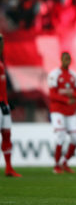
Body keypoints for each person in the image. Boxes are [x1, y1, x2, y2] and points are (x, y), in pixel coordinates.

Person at [47, 52, 76, 174]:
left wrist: (73, 96)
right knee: (60, 137)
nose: (67, 61)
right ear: (61, 59)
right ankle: (56, 165)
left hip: (70, 111)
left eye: (69, 59)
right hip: (58, 110)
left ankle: (65, 162)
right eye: (65, 59)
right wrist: (67, 99)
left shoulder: (73, 75)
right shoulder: (54, 74)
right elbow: (52, 94)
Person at [0, 33, 22, 177]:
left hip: (4, 106)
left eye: (2, 42)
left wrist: (7, 102)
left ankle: (8, 168)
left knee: (7, 135)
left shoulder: (1, 64)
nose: (1, 45)